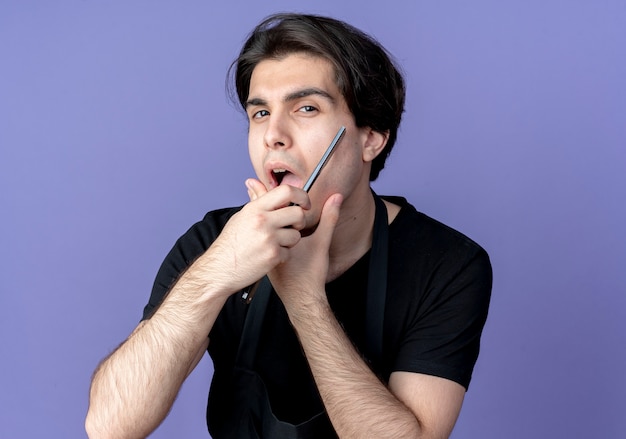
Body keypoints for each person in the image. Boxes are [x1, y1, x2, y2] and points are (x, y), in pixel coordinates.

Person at [85, 13, 492, 439]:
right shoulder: (214, 242)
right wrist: (214, 274)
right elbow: (110, 426)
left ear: (371, 137)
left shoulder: (448, 264)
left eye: (306, 108)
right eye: (260, 112)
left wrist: (304, 299)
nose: (273, 135)